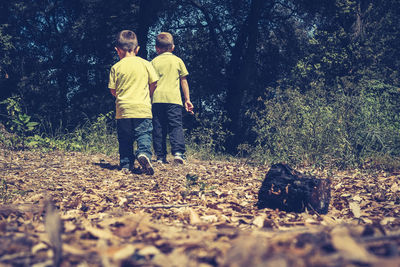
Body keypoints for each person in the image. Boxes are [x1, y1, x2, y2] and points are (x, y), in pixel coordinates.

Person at [108, 30, 159, 174]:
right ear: (137, 49)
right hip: (142, 108)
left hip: (123, 109)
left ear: (117, 50)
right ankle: (143, 153)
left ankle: (126, 164)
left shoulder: (116, 67)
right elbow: (154, 82)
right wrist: (148, 94)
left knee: (125, 138)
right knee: (144, 134)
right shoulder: (145, 64)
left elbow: (113, 90)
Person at [151, 32, 194, 164]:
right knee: (175, 126)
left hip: (157, 100)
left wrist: (148, 97)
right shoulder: (178, 61)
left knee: (158, 127)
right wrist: (187, 99)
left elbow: (150, 82)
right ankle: (178, 153)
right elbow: (184, 81)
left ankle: (160, 156)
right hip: (174, 100)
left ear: (156, 48)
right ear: (173, 47)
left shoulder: (153, 62)